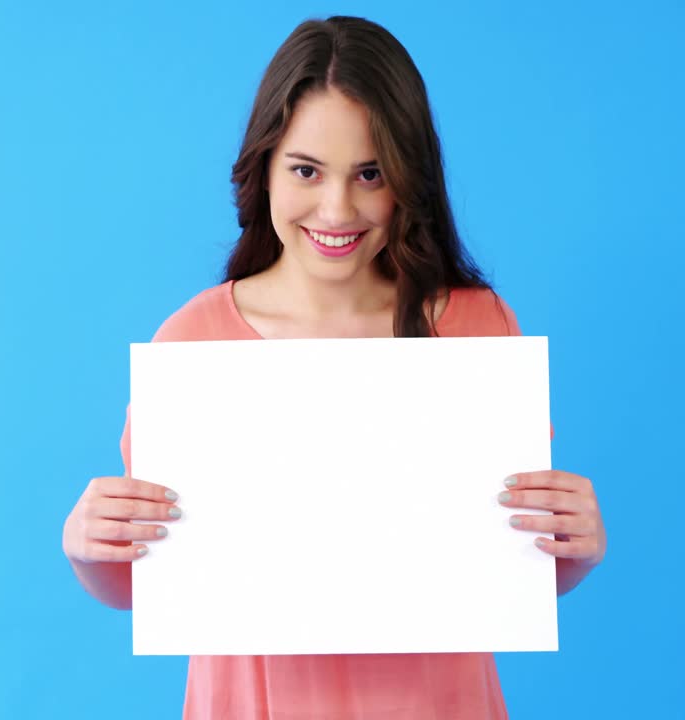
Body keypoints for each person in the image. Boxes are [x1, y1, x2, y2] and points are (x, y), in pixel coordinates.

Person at [62, 15, 607, 720]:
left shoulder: (477, 328)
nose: (336, 207)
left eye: (370, 173)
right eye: (306, 170)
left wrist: (577, 549)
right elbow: (150, 581)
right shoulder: (191, 345)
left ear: (408, 176)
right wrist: (88, 548)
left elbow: (510, 565)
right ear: (263, 166)